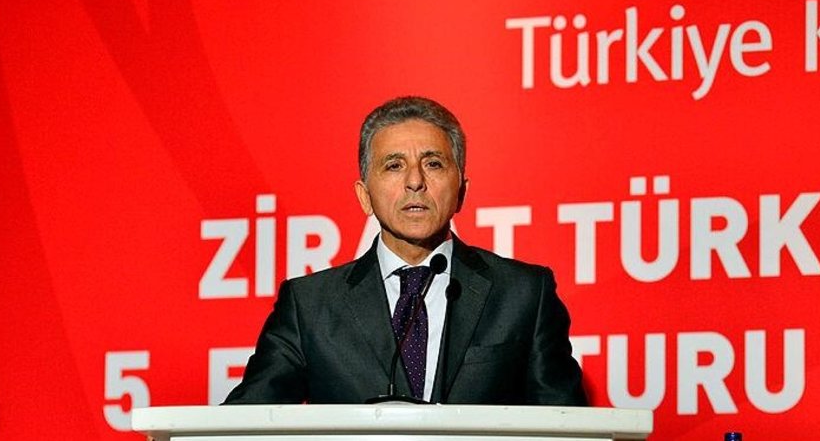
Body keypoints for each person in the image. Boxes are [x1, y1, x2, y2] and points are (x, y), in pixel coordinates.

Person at [224, 96, 587, 405]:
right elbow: (243, 422)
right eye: (394, 165)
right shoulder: (309, 306)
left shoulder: (523, 294)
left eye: (433, 163)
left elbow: (568, 426)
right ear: (364, 196)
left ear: (461, 191)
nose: (415, 181)